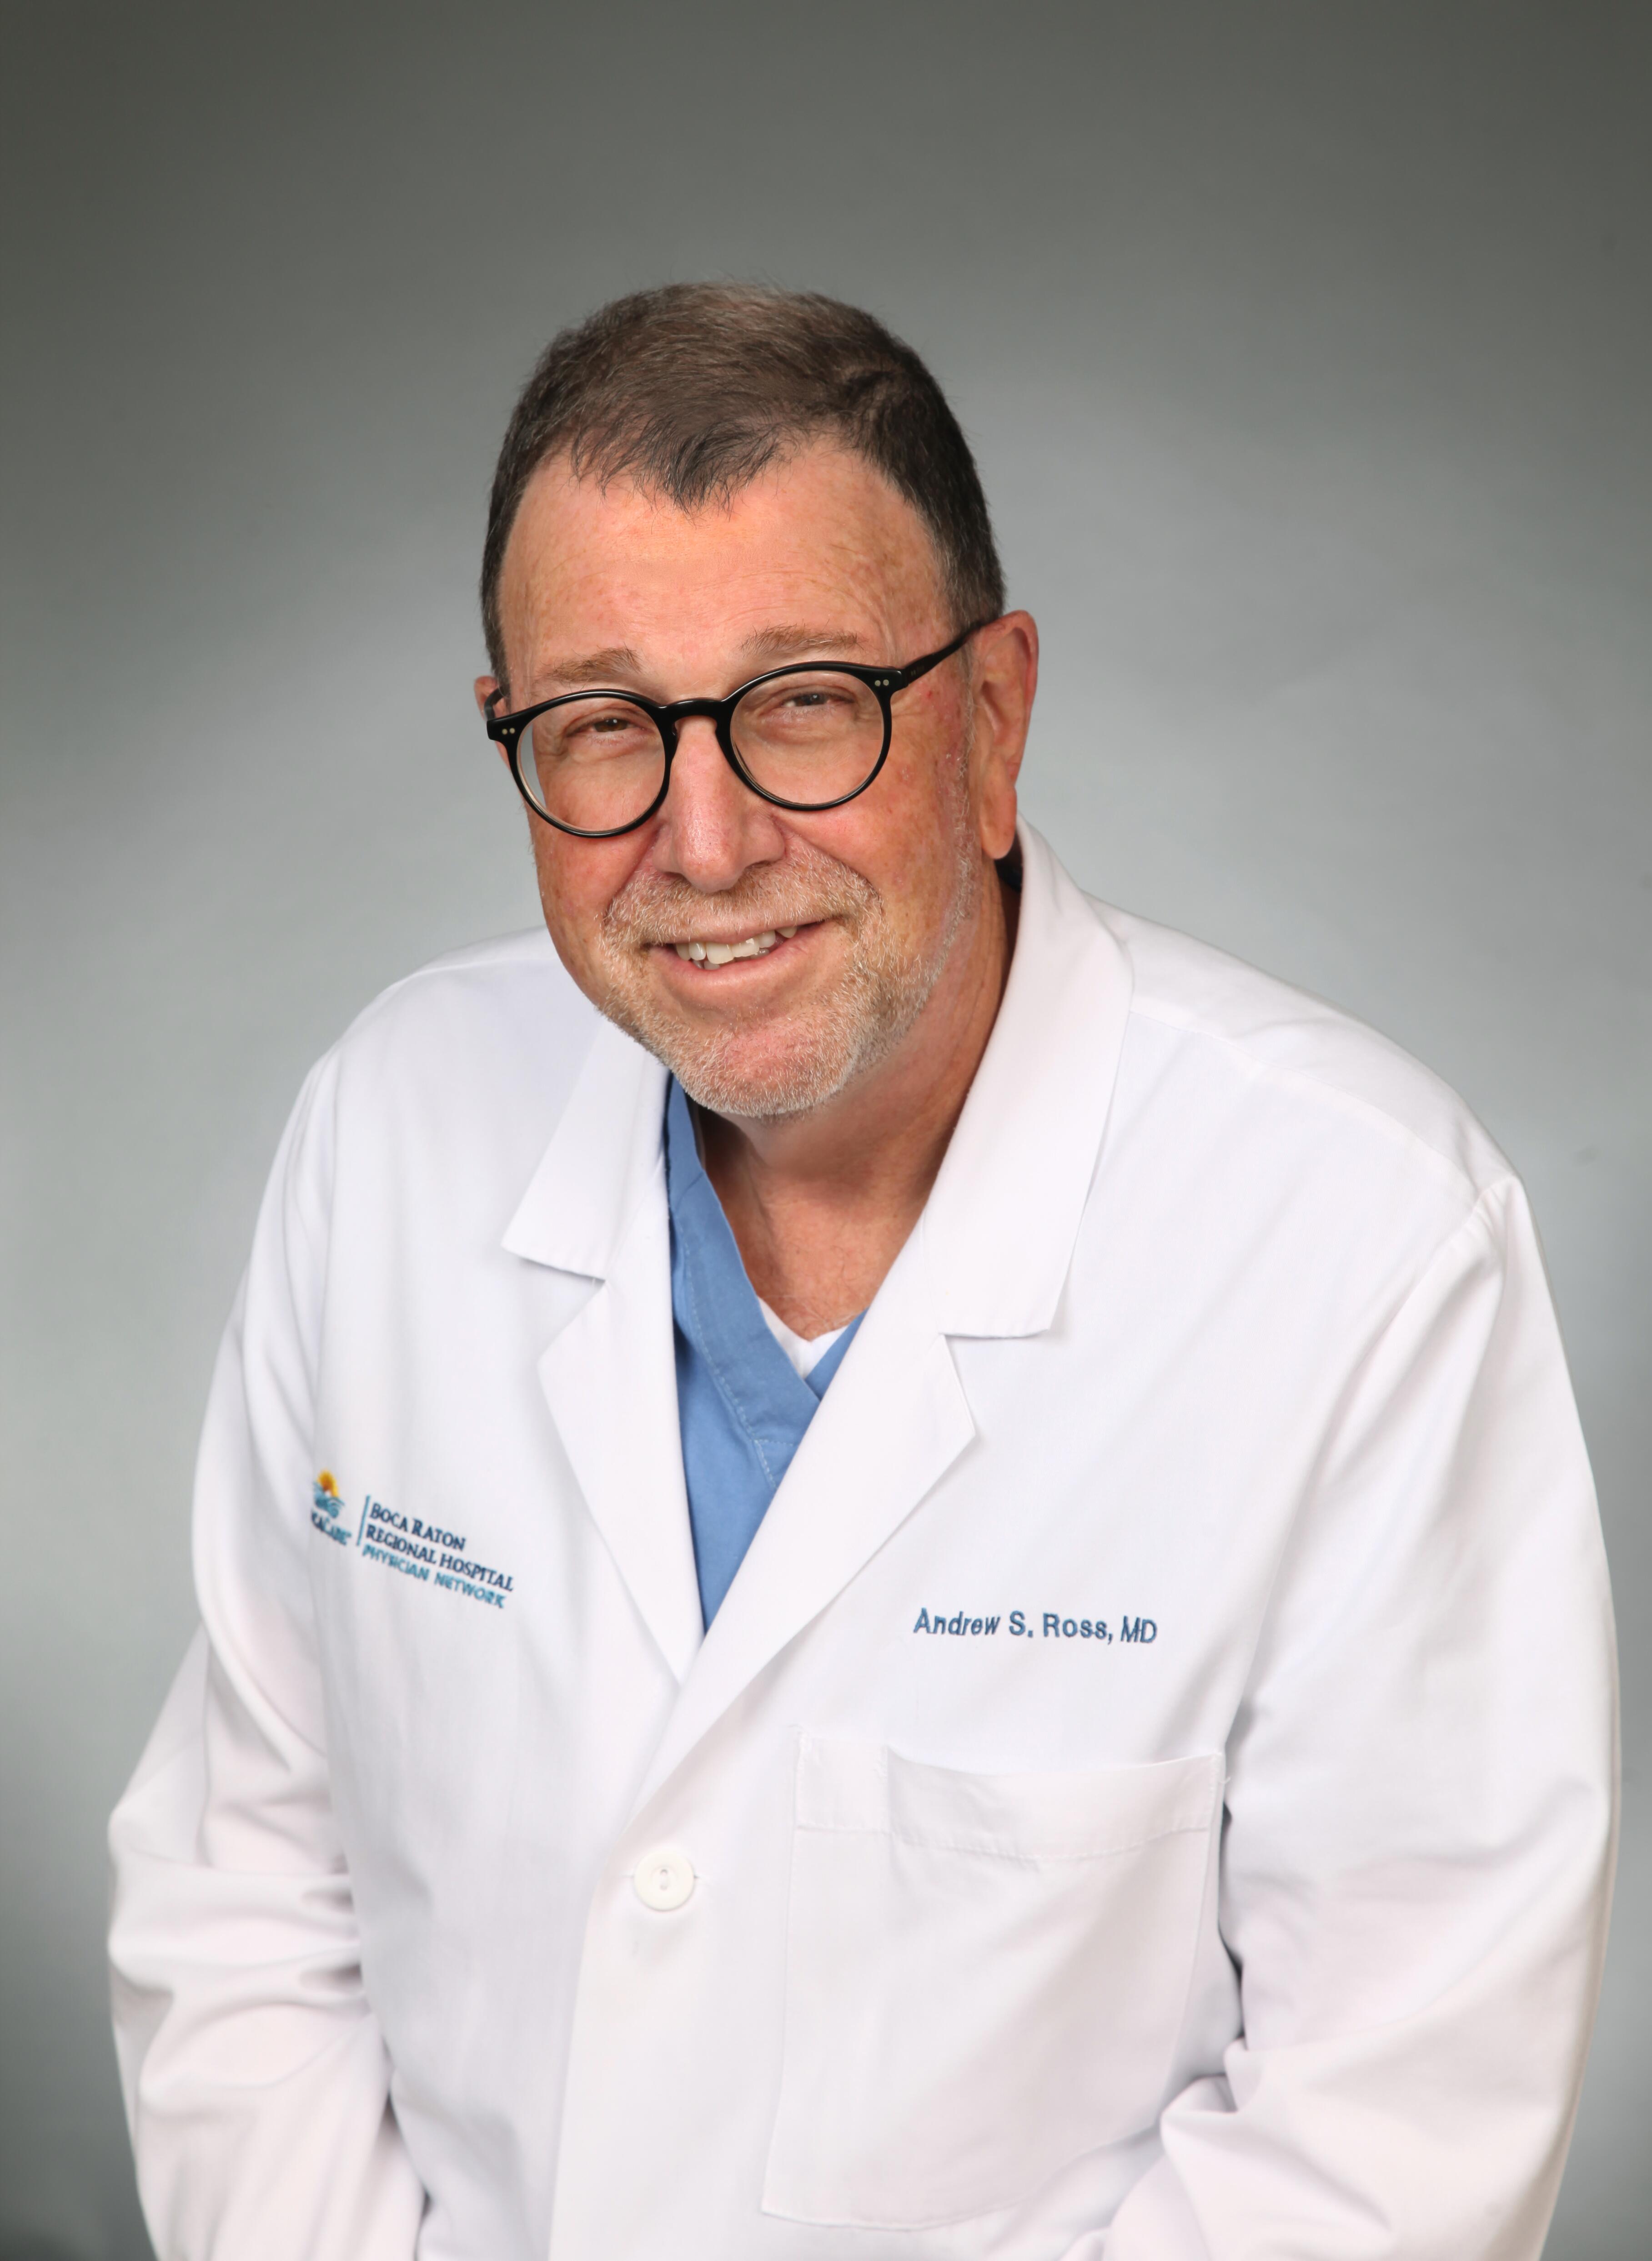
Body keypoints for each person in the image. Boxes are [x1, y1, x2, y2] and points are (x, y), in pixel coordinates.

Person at [108, 285, 1617, 2261]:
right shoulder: (388, 1125)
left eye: (805, 701)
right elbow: (244, 1898)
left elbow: (1388, 2135)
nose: (703, 839)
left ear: (991, 722)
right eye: (603, 725)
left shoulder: (1364, 1242)